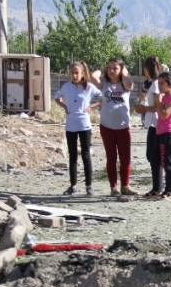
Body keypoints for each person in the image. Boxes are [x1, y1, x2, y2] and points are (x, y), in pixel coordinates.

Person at [53, 61, 102, 196]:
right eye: (72, 73)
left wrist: (92, 106)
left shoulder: (89, 87)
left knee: (86, 155)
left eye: (77, 73)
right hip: (71, 124)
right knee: (73, 155)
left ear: (82, 74)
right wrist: (64, 107)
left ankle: (89, 185)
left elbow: (103, 98)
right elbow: (57, 97)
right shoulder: (66, 87)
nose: (74, 75)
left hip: (84, 124)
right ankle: (73, 185)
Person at [90, 57, 136, 197]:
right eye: (109, 68)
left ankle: (125, 186)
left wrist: (124, 73)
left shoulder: (125, 84)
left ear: (121, 70)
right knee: (111, 157)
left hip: (123, 126)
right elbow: (93, 76)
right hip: (107, 126)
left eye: (115, 68)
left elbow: (129, 83)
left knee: (125, 158)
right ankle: (114, 187)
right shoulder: (104, 83)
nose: (111, 71)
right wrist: (104, 70)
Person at [133, 55, 164, 198]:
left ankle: (158, 188)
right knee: (151, 155)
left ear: (146, 69)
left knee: (154, 157)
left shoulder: (156, 85)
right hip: (153, 123)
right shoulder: (154, 84)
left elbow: (157, 106)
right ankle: (157, 186)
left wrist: (144, 108)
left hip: (157, 123)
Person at [152, 72, 171, 201]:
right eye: (158, 83)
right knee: (155, 160)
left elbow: (164, 115)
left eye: (162, 83)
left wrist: (158, 102)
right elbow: (157, 109)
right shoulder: (165, 97)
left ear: (170, 84)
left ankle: (170, 190)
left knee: (168, 163)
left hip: (170, 133)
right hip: (161, 132)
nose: (159, 85)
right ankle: (157, 189)